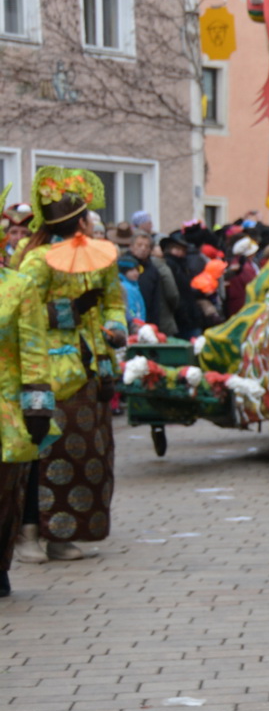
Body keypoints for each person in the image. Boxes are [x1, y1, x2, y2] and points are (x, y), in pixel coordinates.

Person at [11, 167, 125, 564]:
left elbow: (114, 301)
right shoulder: (37, 261)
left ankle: (64, 535)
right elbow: (21, 314)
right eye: (84, 217)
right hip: (54, 372)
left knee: (87, 454)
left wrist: (115, 328)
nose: (88, 222)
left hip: (94, 369)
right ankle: (28, 534)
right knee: (46, 453)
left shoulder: (100, 258)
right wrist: (71, 309)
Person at [0, 246, 53, 596]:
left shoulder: (19, 286)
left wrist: (37, 407)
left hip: (5, 409)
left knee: (4, 494)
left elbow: (34, 348)